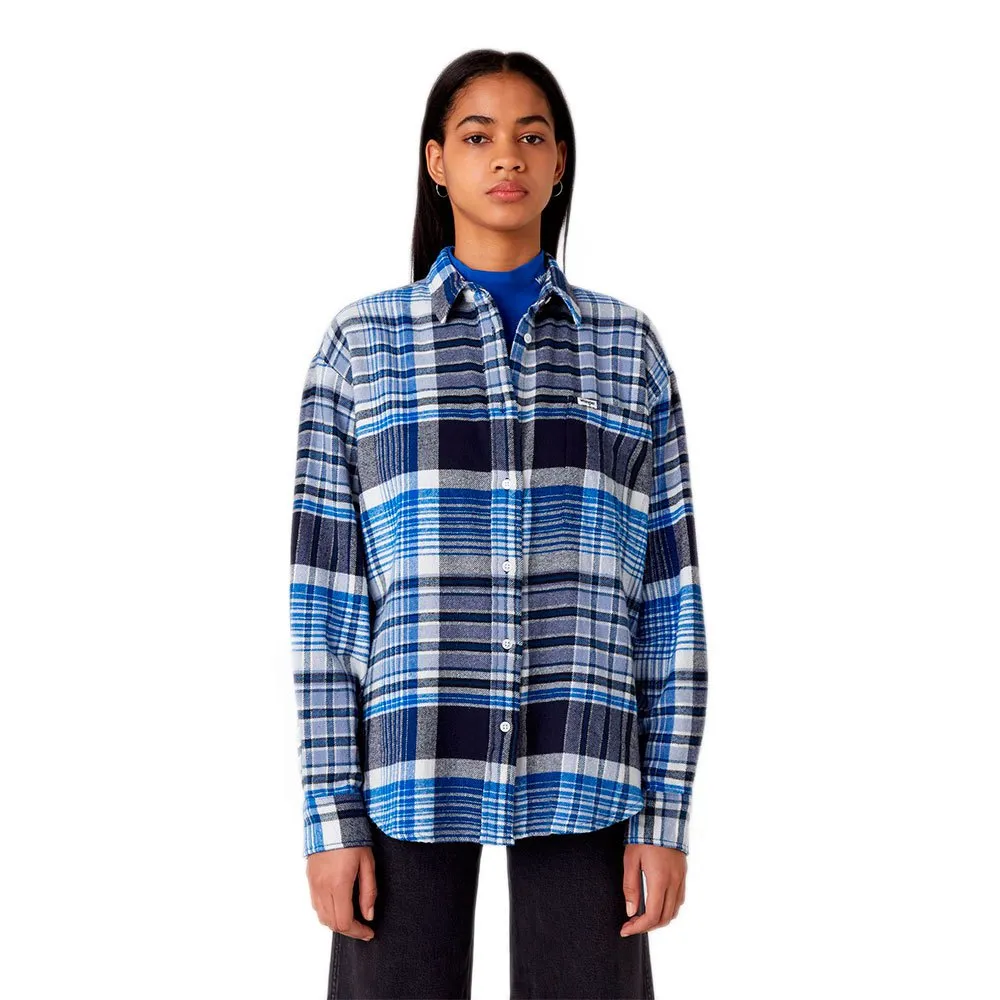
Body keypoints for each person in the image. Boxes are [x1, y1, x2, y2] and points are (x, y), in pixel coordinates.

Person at [289, 48, 709, 1000]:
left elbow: (669, 593)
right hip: (407, 759)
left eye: (531, 136)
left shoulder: (627, 347)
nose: (507, 157)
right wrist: (330, 818)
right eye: (478, 137)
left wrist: (666, 814)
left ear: (560, 163)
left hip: (587, 755)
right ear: (437, 161)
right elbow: (325, 601)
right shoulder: (362, 344)